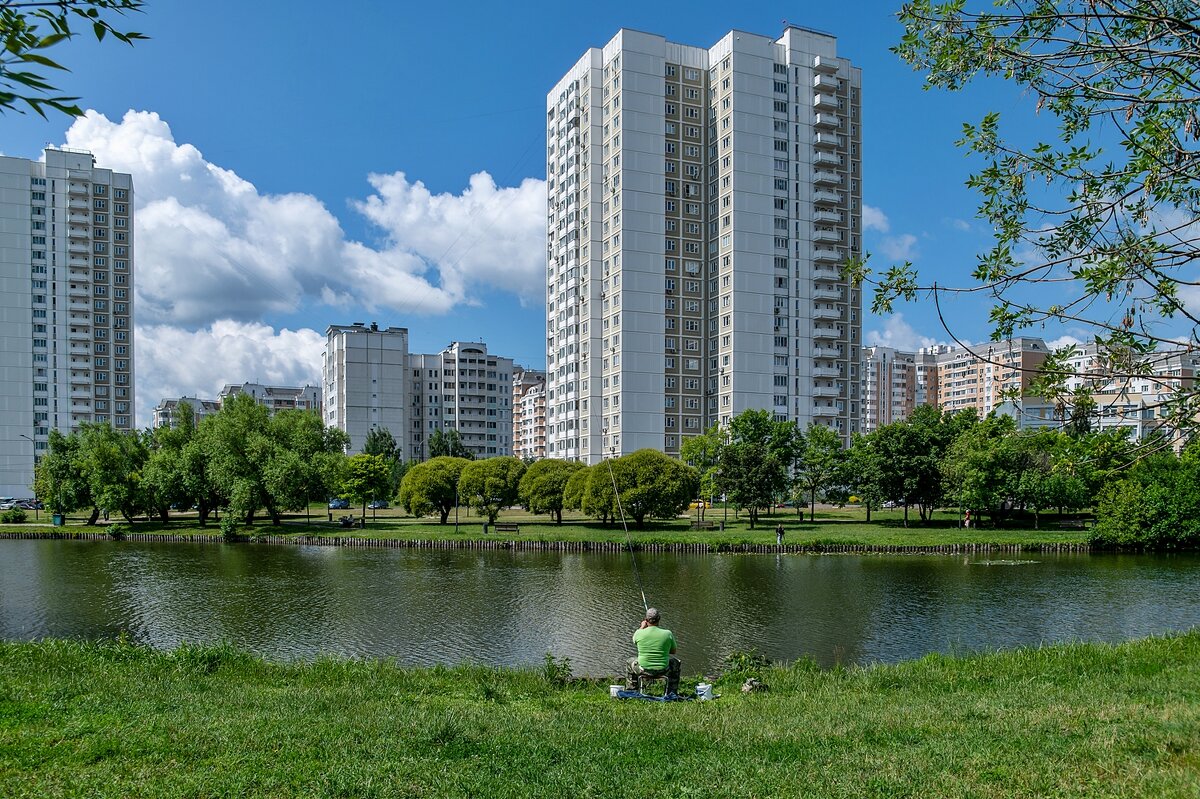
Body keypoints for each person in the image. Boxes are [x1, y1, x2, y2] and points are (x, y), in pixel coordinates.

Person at [625, 607, 681, 695]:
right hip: (664, 670)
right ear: (659, 619)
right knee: (675, 662)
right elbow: (673, 651)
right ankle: (672, 692)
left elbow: (635, 641)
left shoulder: (639, 633)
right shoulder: (668, 633)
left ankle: (631, 690)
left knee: (630, 661)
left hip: (643, 669)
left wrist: (642, 627)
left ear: (646, 620)